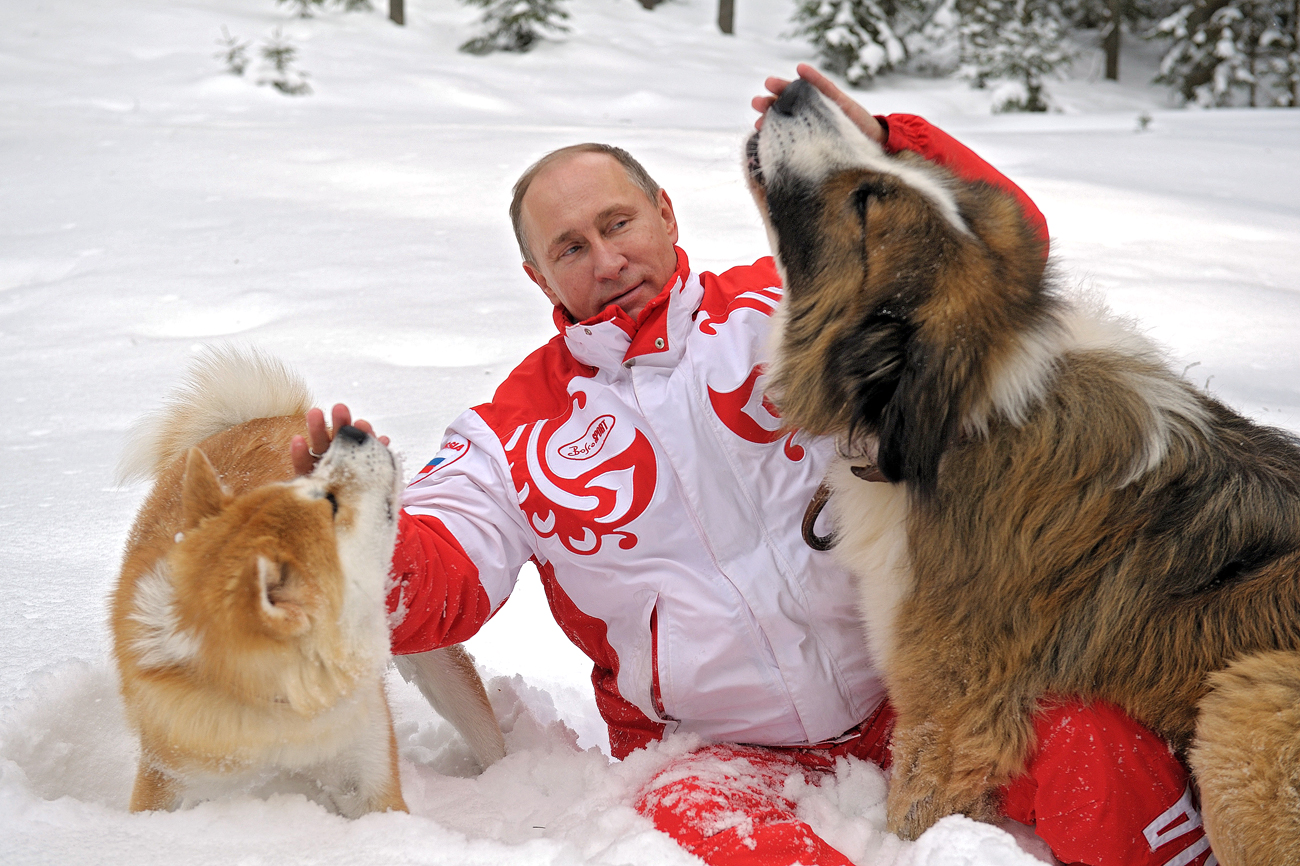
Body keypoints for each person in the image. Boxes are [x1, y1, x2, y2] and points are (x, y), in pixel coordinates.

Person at [291, 66, 1215, 866]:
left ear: (666, 212)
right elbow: (439, 585)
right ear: (539, 277)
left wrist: (887, 145)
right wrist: (346, 539)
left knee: (1101, 749)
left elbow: (992, 268)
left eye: (619, 223)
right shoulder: (508, 434)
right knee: (733, 842)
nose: (606, 261)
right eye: (569, 248)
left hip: (916, 695)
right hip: (707, 753)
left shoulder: (792, 307)